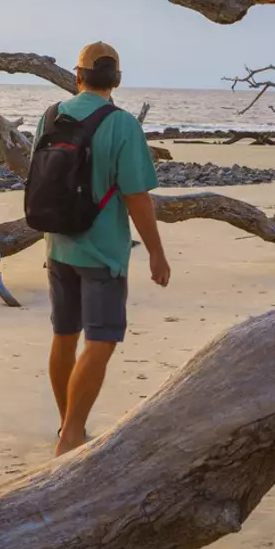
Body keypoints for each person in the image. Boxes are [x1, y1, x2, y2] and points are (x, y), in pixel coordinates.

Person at [41, 40, 170, 456]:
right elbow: (136, 197)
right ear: (116, 80)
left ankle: (66, 425)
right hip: (103, 253)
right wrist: (155, 252)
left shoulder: (50, 116)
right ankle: (72, 437)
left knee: (64, 337)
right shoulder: (122, 125)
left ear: (77, 76)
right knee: (101, 341)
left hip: (58, 245)